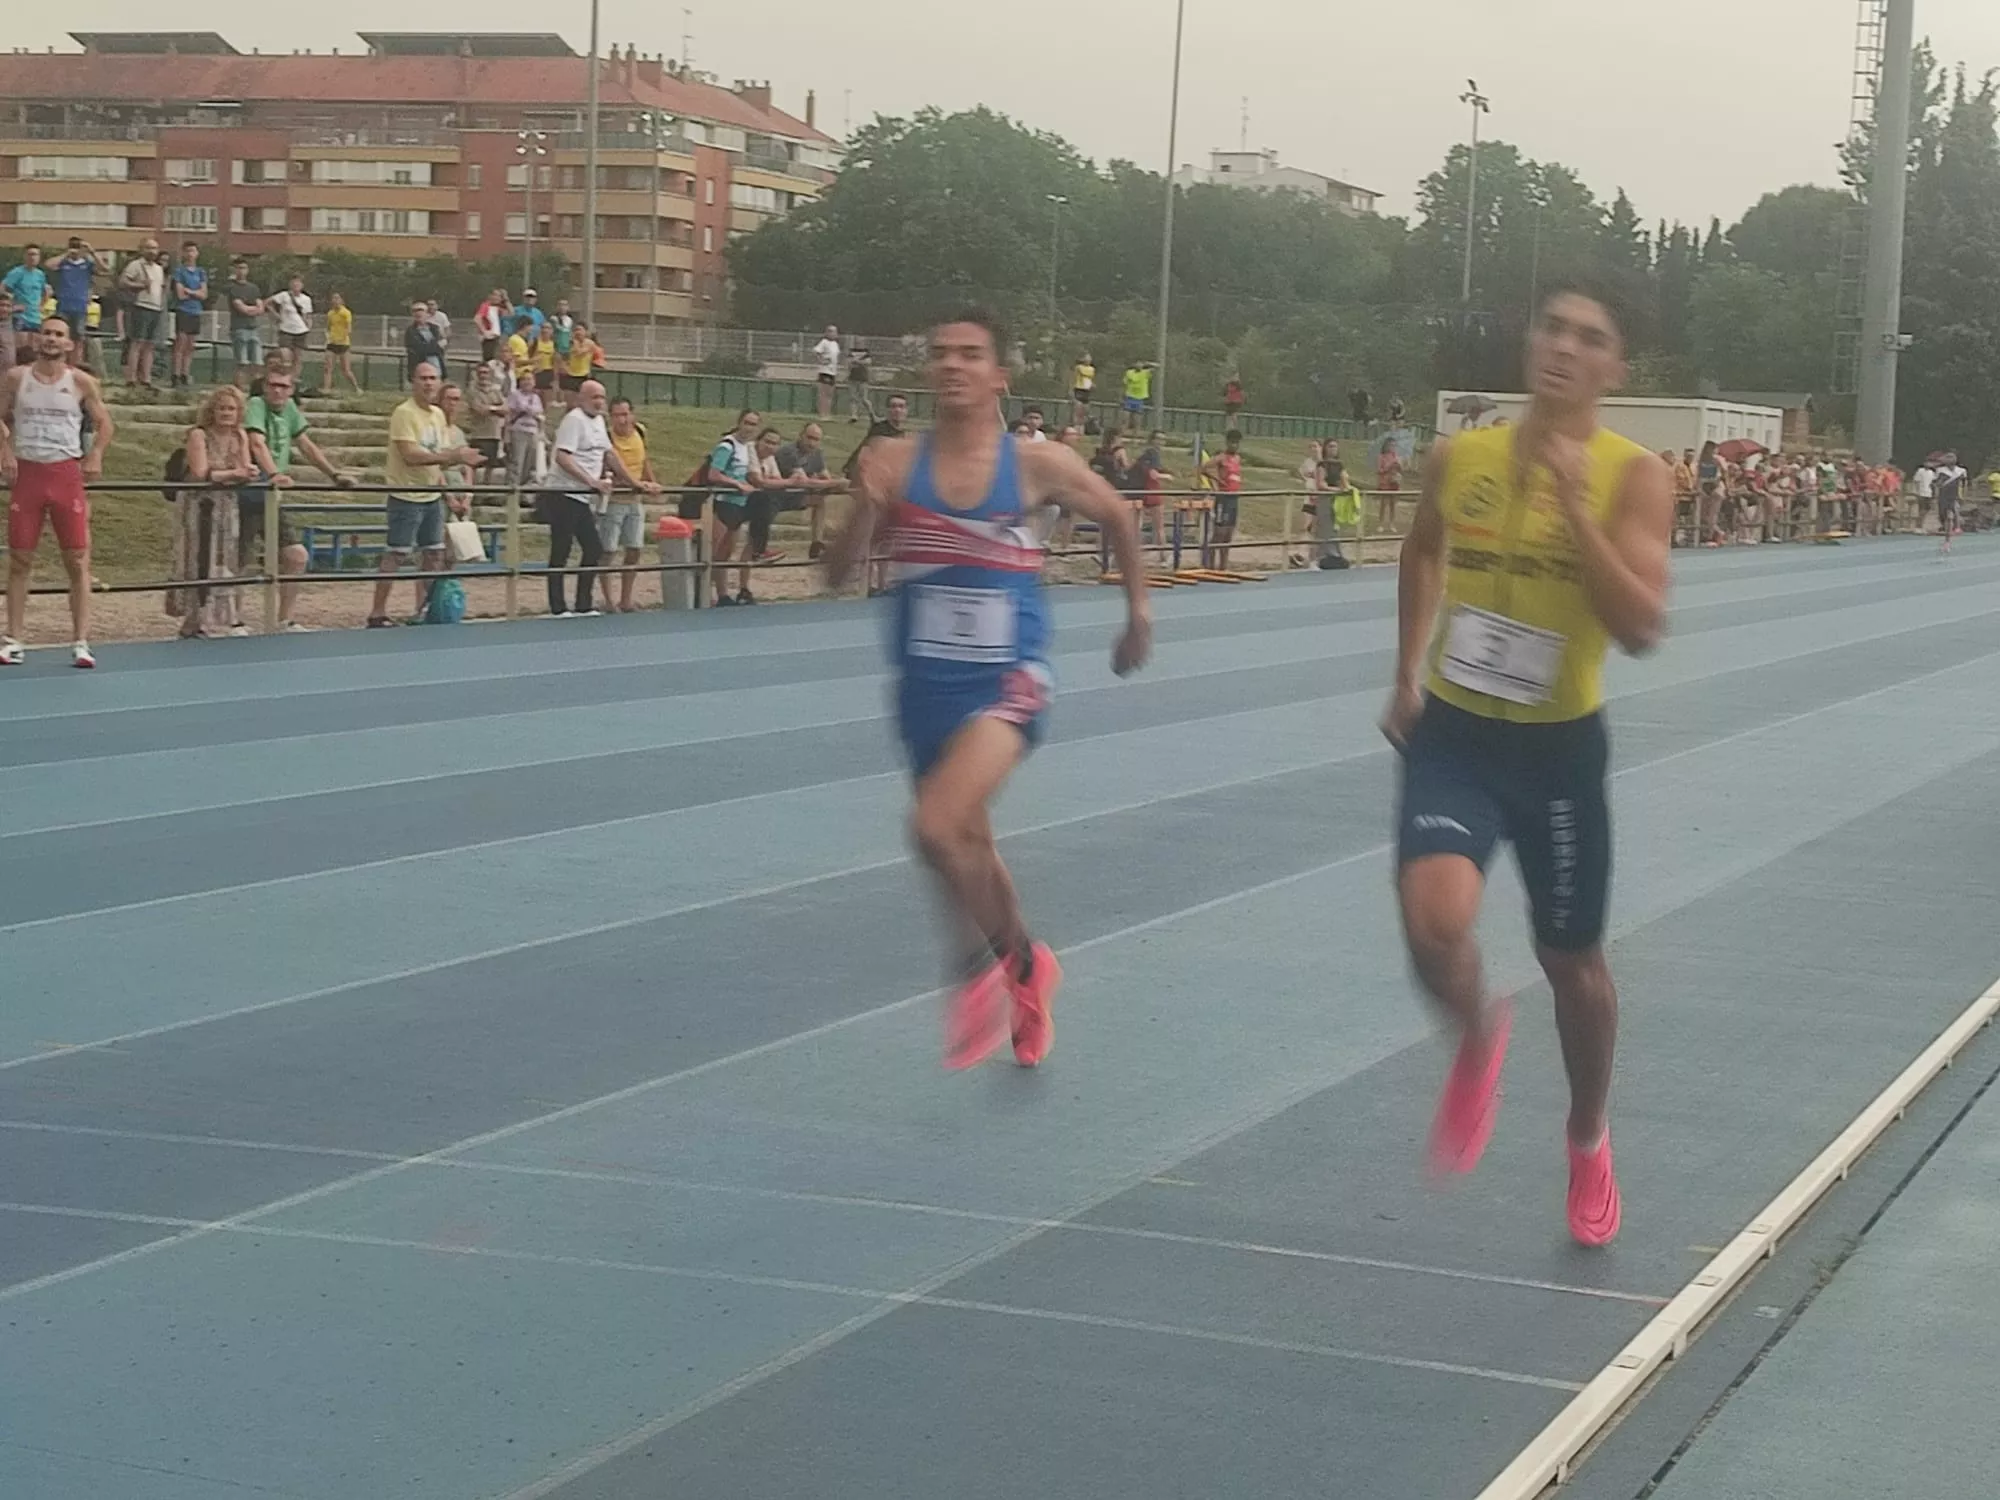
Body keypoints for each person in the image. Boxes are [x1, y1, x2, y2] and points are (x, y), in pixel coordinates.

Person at [1381, 280, 1674, 1248]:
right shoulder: (1455, 457)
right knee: (1433, 922)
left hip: (1555, 752)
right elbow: (1420, 553)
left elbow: (1638, 627)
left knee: (1571, 965)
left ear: (1612, 368)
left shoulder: (1633, 477)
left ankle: (1586, 1136)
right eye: (1548, 326)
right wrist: (1403, 674)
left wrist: (1569, 509)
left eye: (1587, 337)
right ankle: (1473, 1033)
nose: (1561, 347)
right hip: (1456, 732)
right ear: (1528, 342)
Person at [823, 308, 1152, 1069]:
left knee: (934, 827)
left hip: (1010, 678)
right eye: (940, 354)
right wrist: (865, 508)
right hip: (923, 686)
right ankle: (1028, 968)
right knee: (966, 845)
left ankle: (970, 968)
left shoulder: (1038, 463)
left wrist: (1136, 611)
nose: (953, 366)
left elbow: (1120, 516)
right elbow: (836, 574)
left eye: (971, 355)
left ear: (999, 375)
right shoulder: (894, 460)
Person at [0, 316, 112, 668]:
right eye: (46, 333)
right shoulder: (17, 377)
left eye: (58, 335)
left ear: (69, 344)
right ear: (37, 338)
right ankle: (14, 638)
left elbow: (105, 422)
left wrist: (95, 454)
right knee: (20, 558)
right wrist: (4, 450)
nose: (51, 339)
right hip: (28, 472)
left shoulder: (80, 381)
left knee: (77, 559)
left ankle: (80, 641)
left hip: (65, 473)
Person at [370, 364, 482, 628]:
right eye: (423, 378)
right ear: (413, 381)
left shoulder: (437, 416)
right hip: (406, 494)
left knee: (434, 554)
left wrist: (453, 483)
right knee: (396, 553)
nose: (428, 383)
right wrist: (454, 456)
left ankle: (425, 608)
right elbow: (411, 455)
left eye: (433, 378)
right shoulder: (404, 413)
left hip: (431, 494)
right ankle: (377, 612)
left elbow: (438, 458)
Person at [244, 365, 354, 631]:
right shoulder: (256, 405)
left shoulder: (290, 409)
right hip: (248, 490)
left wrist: (334, 474)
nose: (278, 391)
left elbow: (306, 445)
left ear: (291, 389)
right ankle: (233, 620)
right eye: (273, 385)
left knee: (296, 556)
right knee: (238, 558)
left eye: (283, 386)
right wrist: (272, 474)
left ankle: (285, 620)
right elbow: (256, 442)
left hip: (271, 495)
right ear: (265, 386)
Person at [172, 383, 267, 638]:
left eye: (232, 408)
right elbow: (201, 473)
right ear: (211, 411)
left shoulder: (240, 436)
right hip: (200, 503)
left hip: (227, 502)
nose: (226, 413)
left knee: (225, 557)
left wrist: (248, 473)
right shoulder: (198, 435)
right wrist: (236, 473)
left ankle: (220, 617)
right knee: (199, 557)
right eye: (221, 408)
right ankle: (196, 619)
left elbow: (244, 466)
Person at [545, 378, 644, 618]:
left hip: (582, 497)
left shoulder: (599, 422)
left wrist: (634, 483)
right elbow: (562, 457)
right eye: (594, 397)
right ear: (581, 398)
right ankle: (558, 607)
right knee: (561, 549)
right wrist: (591, 482)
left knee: (593, 548)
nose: (599, 402)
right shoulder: (574, 420)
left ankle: (583, 604)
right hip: (563, 493)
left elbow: (610, 455)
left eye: (602, 397)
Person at [601, 396, 664, 613]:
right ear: (611, 417)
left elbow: (644, 459)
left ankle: (626, 598)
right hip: (614, 500)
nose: (623, 420)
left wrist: (652, 482)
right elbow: (607, 467)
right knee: (608, 550)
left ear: (632, 414)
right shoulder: (607, 437)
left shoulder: (639, 431)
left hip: (635, 499)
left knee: (635, 548)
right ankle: (608, 600)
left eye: (626, 414)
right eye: (618, 415)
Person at [842, 392, 908, 587]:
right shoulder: (879, 431)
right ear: (888, 410)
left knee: (887, 539)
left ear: (906, 411)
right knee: (873, 538)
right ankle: (869, 583)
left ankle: (882, 583)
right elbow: (863, 459)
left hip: (892, 493)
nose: (897, 410)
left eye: (901, 406)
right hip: (873, 491)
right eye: (894, 406)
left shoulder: (903, 435)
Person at [705, 408, 764, 606]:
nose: (749, 428)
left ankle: (722, 595)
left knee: (726, 553)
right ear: (739, 423)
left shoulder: (749, 448)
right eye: (747, 423)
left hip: (739, 504)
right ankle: (707, 594)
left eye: (754, 424)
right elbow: (714, 474)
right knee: (713, 553)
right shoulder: (727, 445)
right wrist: (736, 484)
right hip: (723, 502)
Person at [776, 421, 845, 569]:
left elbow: (825, 477)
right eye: (809, 438)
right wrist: (836, 483)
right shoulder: (789, 451)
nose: (812, 443)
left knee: (819, 501)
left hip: (795, 495)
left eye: (816, 439)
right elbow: (804, 482)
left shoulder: (817, 454)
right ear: (801, 436)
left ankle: (816, 543)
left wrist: (835, 484)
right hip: (775, 495)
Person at [119, 239, 166, 390]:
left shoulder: (159, 268)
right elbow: (123, 281)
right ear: (142, 249)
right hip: (141, 306)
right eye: (149, 248)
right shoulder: (136, 265)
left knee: (150, 344)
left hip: (155, 307)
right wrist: (139, 285)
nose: (152, 251)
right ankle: (131, 378)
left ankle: (146, 378)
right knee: (137, 342)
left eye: (155, 248)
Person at [1199, 428, 1245, 571]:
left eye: (1237, 443)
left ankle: (1223, 566)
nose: (1234, 446)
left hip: (1233, 498)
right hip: (1223, 497)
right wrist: (1217, 482)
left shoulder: (1237, 458)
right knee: (1219, 533)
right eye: (1232, 443)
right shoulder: (1221, 457)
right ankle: (1210, 565)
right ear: (1227, 443)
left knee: (1229, 534)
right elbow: (1203, 468)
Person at [169, 242, 208, 390]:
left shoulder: (200, 272)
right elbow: (180, 294)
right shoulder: (179, 271)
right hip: (183, 310)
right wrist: (194, 293)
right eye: (188, 251)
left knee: (191, 345)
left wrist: (190, 292)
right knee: (180, 343)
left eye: (193, 250)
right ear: (184, 254)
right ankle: (176, 374)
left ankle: (186, 373)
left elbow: (204, 294)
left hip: (195, 311)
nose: (191, 254)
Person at [467, 357, 511, 484]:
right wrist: (496, 408)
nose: (483, 375)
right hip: (478, 433)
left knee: (490, 466)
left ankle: (486, 490)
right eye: (480, 372)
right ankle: (471, 490)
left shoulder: (496, 391)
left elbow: (506, 409)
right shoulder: (472, 391)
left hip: (493, 433)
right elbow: (479, 410)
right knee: (474, 465)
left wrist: (491, 408)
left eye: (485, 372)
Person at [223, 258, 264, 388]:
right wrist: (253, 309)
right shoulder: (232, 288)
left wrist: (252, 309)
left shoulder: (253, 288)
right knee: (242, 362)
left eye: (244, 268)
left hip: (253, 328)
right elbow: (241, 308)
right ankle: (239, 388)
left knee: (257, 362)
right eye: (238, 268)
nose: (241, 271)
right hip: (239, 328)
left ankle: (255, 389)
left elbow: (261, 307)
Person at [49, 240, 95, 351]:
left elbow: (105, 268)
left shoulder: (86, 264)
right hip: (63, 306)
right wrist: (66, 253)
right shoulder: (64, 263)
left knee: (78, 338)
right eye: (73, 246)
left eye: (77, 247)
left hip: (80, 307)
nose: (75, 249)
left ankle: (76, 364)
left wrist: (92, 251)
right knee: (61, 335)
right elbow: (49, 265)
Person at [504, 369, 545, 489]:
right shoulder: (515, 395)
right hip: (519, 430)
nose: (527, 382)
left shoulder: (536, 397)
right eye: (524, 379)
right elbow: (510, 413)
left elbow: (540, 415)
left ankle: (524, 490)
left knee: (529, 463)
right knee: (517, 461)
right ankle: (511, 489)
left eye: (530, 379)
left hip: (532, 432)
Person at [269, 275, 312, 379]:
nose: (296, 285)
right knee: (284, 355)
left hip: (300, 330)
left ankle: (294, 380)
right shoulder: (284, 295)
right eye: (294, 283)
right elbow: (268, 303)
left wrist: (309, 326)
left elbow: (307, 315)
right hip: (286, 330)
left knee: (297, 357)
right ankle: (282, 376)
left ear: (302, 285)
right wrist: (276, 315)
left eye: (298, 283)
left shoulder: (306, 299)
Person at [320, 289, 359, 395]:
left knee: (346, 370)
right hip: (332, 343)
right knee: (327, 368)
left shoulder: (346, 313)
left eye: (337, 298)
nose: (335, 300)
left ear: (342, 300)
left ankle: (356, 388)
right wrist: (328, 336)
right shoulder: (330, 313)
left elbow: (349, 328)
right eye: (333, 298)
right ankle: (326, 389)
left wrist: (343, 336)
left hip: (343, 344)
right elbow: (328, 327)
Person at [3, 246, 47, 338]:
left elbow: (45, 292)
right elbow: (2, 289)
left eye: (35, 254)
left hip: (35, 318)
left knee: (33, 347)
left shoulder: (40, 274)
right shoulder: (16, 273)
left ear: (39, 257)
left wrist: (41, 306)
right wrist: (11, 305)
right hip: (20, 317)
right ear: (25, 256)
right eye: (30, 254)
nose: (32, 257)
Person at [403, 300, 444, 382]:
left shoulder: (435, 328)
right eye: (415, 311)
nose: (418, 313)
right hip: (420, 369)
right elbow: (420, 349)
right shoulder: (411, 331)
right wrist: (436, 346)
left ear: (427, 313)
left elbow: (442, 347)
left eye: (421, 310)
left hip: (437, 367)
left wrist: (435, 347)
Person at [1936, 450, 1966, 555]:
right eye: (1948, 457)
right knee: (1943, 518)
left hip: (1954, 498)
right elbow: (1937, 484)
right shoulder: (1941, 470)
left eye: (1952, 457)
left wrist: (1962, 496)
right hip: (1943, 497)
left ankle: (1948, 540)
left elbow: (1963, 484)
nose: (1950, 459)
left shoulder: (1961, 471)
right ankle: (1947, 535)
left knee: (1950, 517)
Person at [813, 323, 841, 418]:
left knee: (830, 394)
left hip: (833, 371)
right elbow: (817, 352)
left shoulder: (835, 344)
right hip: (825, 371)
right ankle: (822, 413)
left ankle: (827, 413)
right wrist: (822, 360)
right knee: (823, 394)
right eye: (831, 331)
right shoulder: (824, 342)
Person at [475, 288, 508, 364]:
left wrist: (506, 300)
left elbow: (511, 313)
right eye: (495, 295)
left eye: (499, 296)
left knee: (496, 360)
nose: (497, 298)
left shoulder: (497, 308)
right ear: (490, 296)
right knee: (490, 361)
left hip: (497, 338)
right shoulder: (485, 306)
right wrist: (484, 332)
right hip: (489, 338)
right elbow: (477, 319)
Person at [1121, 360, 1152, 432]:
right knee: (1125, 419)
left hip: (1139, 399)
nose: (1139, 365)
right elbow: (1125, 383)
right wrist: (1122, 397)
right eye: (1137, 363)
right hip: (1129, 398)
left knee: (1137, 421)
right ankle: (1121, 435)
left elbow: (1156, 367)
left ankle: (1135, 439)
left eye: (1140, 364)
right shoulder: (1129, 372)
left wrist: (1148, 363)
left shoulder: (1145, 373)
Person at [846, 343, 874, 423]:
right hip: (852, 377)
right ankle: (854, 416)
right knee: (853, 397)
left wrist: (857, 361)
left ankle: (871, 414)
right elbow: (849, 362)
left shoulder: (866, 352)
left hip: (863, 378)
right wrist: (857, 362)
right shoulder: (851, 352)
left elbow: (868, 362)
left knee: (864, 399)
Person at [1070, 351, 1095, 428]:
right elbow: (1073, 378)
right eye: (1086, 358)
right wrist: (1071, 389)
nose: (1088, 359)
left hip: (1087, 391)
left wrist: (1092, 385)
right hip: (1079, 389)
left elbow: (1090, 379)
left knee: (1086, 410)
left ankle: (1082, 427)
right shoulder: (1078, 367)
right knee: (1078, 409)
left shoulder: (1092, 369)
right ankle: (1075, 426)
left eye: (1089, 358)